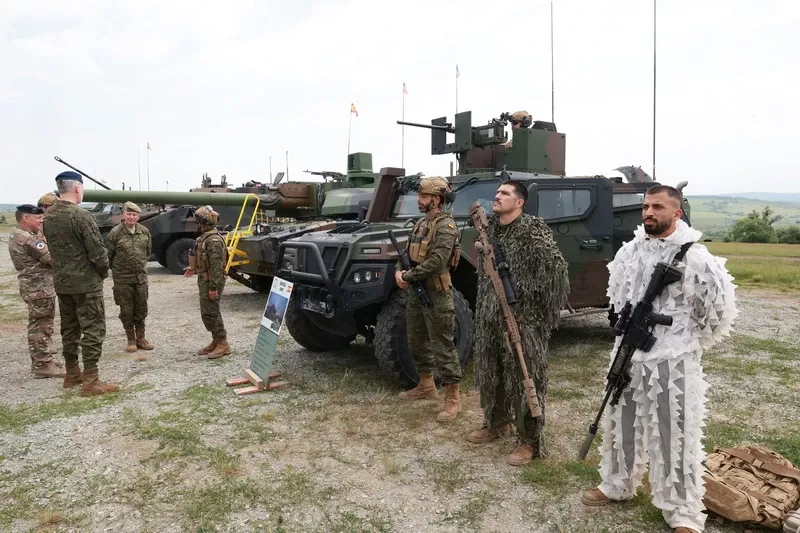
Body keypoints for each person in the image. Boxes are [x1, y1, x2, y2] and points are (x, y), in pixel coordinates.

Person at [581, 185, 738, 533]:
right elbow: (619, 299)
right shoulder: (630, 251)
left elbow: (716, 312)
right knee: (621, 423)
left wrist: (680, 341)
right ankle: (617, 484)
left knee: (674, 432)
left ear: (676, 213)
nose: (649, 212)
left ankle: (682, 509)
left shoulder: (696, 258)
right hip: (628, 354)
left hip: (670, 359)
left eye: (658, 207)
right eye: (645, 206)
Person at [467, 180, 570, 466]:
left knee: (526, 377)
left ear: (520, 202)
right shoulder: (491, 232)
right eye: (497, 192)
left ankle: (530, 441)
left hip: (521, 319)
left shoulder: (532, 231)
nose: (497, 197)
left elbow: (556, 276)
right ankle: (497, 421)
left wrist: (531, 312)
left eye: (505, 193)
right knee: (492, 371)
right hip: (490, 316)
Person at [394, 176, 463, 422]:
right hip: (416, 291)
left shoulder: (446, 226)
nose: (419, 201)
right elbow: (406, 253)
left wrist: (408, 275)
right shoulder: (420, 223)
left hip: (436, 293)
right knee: (416, 340)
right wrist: (398, 271)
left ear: (437, 199)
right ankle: (426, 385)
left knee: (443, 344)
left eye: (423, 197)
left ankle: (453, 397)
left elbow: (438, 261)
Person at [43, 170, 118, 395]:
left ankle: (72, 374)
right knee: (93, 329)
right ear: (77, 188)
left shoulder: (49, 216)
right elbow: (98, 253)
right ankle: (91, 381)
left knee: (70, 328)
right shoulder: (81, 216)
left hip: (63, 283)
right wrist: (102, 273)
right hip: (86, 284)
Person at [7, 204, 65, 378]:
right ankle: (42, 364)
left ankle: (44, 359)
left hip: (35, 287)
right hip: (38, 288)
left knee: (41, 324)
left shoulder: (20, 234)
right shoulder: (28, 239)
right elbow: (51, 258)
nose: (41, 220)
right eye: (38, 218)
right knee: (40, 326)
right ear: (26, 218)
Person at [105, 201, 154, 353]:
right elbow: (109, 255)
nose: (131, 217)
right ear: (123, 215)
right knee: (126, 310)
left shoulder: (144, 232)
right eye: (129, 214)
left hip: (140, 278)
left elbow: (147, 252)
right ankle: (131, 340)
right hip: (123, 279)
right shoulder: (115, 233)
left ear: (138, 216)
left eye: (134, 214)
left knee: (141, 309)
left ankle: (141, 338)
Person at [184, 205, 231, 359]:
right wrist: (194, 268)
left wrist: (213, 287)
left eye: (199, 220)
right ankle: (216, 341)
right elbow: (204, 260)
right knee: (207, 312)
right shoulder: (203, 238)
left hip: (211, 281)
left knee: (212, 311)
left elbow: (217, 266)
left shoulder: (214, 240)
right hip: (205, 279)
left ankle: (223, 344)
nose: (198, 223)